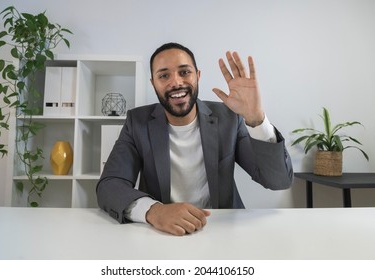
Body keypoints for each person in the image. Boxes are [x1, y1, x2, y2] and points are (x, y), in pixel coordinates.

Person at [97, 42, 293, 236]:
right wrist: (154, 211)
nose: (176, 82)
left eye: (184, 72)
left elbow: (278, 181)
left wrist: (256, 119)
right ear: (153, 83)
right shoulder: (137, 122)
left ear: (198, 76)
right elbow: (110, 185)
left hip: (223, 231)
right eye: (164, 75)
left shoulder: (229, 118)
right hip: (162, 233)